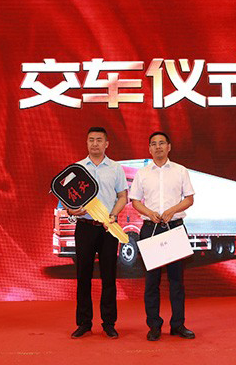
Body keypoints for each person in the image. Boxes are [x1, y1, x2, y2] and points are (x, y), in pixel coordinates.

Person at [129, 131, 196, 341]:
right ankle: (154, 326)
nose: (158, 147)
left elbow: (189, 199)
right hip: (151, 228)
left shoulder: (180, 170)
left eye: (161, 143)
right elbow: (135, 201)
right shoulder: (142, 174)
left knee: (177, 281)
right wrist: (150, 213)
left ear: (169, 147)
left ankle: (178, 325)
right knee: (152, 281)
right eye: (153, 144)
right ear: (149, 149)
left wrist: (172, 210)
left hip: (174, 227)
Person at [67, 127, 127, 339]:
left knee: (109, 276)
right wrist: (72, 210)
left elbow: (123, 196)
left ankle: (109, 323)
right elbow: (67, 199)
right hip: (85, 227)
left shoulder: (116, 168)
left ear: (106, 144)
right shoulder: (77, 168)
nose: (95, 143)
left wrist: (113, 215)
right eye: (91, 139)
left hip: (108, 227)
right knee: (83, 275)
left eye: (99, 140)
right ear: (86, 143)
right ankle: (84, 322)